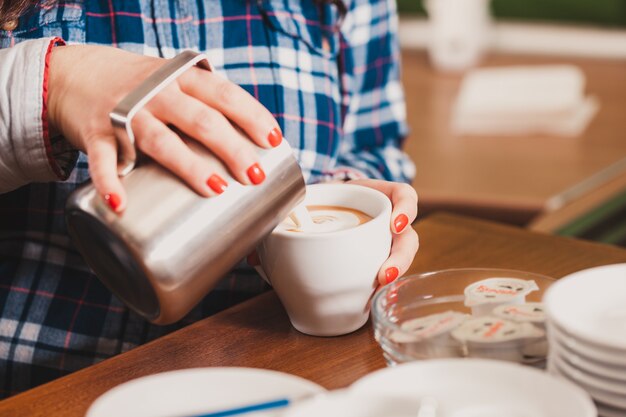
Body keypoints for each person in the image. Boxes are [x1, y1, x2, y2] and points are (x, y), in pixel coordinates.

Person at [0, 0, 419, 397]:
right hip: (40, 385)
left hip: (277, 375)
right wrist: (54, 82)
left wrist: (352, 207)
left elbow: (371, 145)